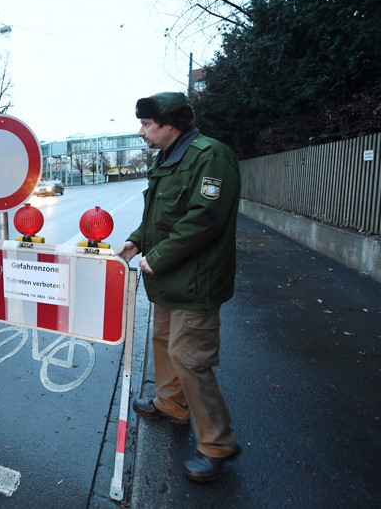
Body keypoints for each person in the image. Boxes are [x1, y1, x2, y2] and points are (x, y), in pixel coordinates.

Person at [115, 92, 241, 483]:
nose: (141, 132)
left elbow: (204, 219)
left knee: (190, 359)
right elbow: (158, 215)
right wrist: (138, 240)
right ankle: (171, 405)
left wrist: (160, 255)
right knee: (163, 343)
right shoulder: (168, 158)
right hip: (169, 281)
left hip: (196, 281)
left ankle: (217, 444)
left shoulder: (210, 156)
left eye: (147, 125)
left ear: (171, 124)